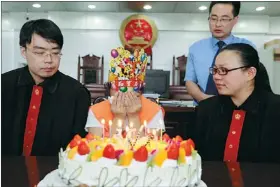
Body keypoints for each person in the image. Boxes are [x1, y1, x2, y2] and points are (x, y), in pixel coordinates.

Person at [1, 19, 91, 156]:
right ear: (24, 52)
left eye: (55, 53)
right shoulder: (4, 85)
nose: (49, 60)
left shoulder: (76, 93)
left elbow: (78, 148)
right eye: (39, 52)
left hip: (55, 174)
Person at [194, 43, 280, 163]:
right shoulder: (206, 108)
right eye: (215, 70)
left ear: (250, 73)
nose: (216, 77)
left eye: (224, 70)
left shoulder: (275, 109)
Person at [185, 1, 258, 104]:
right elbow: (190, 81)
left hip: (237, 109)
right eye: (213, 18)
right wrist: (206, 100)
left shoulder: (246, 47)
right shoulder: (196, 48)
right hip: (203, 107)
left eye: (224, 19)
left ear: (235, 20)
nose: (218, 24)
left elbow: (252, 83)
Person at [85, 47, 165, 138]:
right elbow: (96, 149)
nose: (124, 93)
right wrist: (118, 117)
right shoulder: (96, 111)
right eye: (118, 86)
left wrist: (134, 117)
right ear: (110, 88)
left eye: (131, 86)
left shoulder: (154, 111)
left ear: (139, 90)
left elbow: (150, 149)